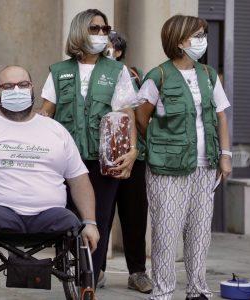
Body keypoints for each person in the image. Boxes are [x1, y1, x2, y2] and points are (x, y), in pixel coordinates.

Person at [0, 65, 100, 262]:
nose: (17, 91)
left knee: (70, 221)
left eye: (23, 84)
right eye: (8, 86)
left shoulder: (56, 130)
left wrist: (90, 222)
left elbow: (79, 180)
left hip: (51, 215)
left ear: (32, 88)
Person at [37, 9, 140, 283]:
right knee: (69, 219)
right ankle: (72, 272)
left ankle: (89, 280)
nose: (101, 34)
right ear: (80, 31)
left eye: (105, 30)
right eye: (95, 29)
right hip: (66, 161)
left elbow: (127, 113)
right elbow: (45, 111)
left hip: (103, 159)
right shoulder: (59, 71)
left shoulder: (117, 70)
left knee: (99, 220)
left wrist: (132, 149)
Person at [135, 15, 232, 300]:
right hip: (167, 167)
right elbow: (141, 119)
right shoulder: (158, 76)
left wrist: (225, 155)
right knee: (166, 234)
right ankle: (163, 293)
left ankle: (197, 291)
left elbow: (221, 116)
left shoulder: (208, 74)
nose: (203, 40)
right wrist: (161, 145)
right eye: (197, 35)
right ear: (179, 40)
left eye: (203, 34)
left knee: (200, 233)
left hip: (206, 164)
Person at [98, 32, 154, 293]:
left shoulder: (131, 76)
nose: (105, 50)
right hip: (103, 156)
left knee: (134, 216)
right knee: (101, 216)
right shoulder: (90, 76)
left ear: (118, 52)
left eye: (110, 47)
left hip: (135, 155)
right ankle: (96, 269)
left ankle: (137, 272)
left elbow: (140, 113)